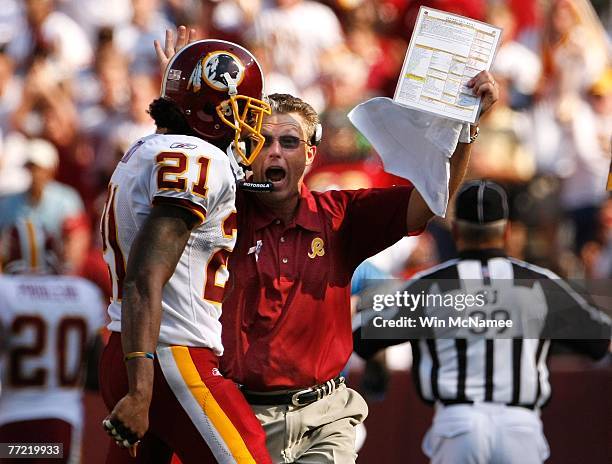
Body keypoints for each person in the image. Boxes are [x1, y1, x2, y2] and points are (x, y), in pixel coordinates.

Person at [155, 26, 498, 463]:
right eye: (266, 141)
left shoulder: (341, 215)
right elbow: (172, 177)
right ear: (247, 148)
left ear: (311, 156)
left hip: (325, 414)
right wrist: (185, 99)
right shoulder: (223, 209)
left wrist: (465, 125)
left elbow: (432, 199)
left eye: (290, 141)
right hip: (239, 413)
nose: (276, 152)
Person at [98, 37, 273, 463]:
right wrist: (142, 391)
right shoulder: (197, 160)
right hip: (169, 357)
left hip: (128, 347)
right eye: (237, 111)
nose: (246, 126)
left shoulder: (149, 148)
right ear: (210, 113)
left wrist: (181, 80)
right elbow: (144, 276)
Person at [353, 180, 612, 464]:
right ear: (507, 231)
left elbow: (362, 337)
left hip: (458, 427)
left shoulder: (430, 286)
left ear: (456, 231)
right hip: (520, 427)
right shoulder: (540, 284)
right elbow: (599, 341)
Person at [0, 219, 105, 464]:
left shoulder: (5, 291)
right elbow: (94, 376)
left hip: (11, 428)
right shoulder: (84, 293)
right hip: (61, 427)